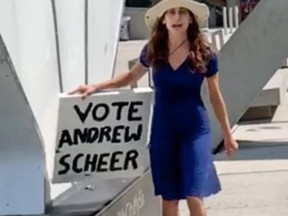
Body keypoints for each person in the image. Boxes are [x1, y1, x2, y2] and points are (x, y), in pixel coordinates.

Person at [69, 0, 238, 215]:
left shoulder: (205, 53)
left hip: (195, 129)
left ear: (191, 18)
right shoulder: (153, 50)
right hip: (164, 131)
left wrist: (227, 133)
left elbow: (215, 95)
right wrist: (95, 86)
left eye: (183, 13)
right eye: (172, 13)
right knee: (169, 200)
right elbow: (130, 76)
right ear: (163, 19)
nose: (177, 18)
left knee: (194, 194)